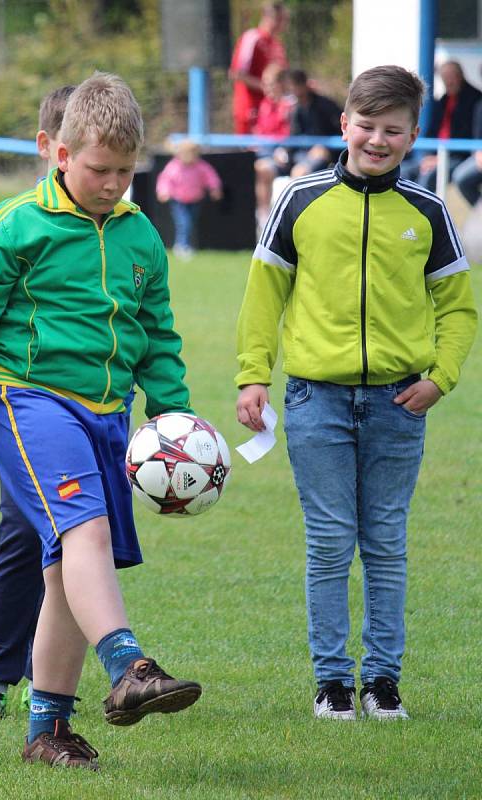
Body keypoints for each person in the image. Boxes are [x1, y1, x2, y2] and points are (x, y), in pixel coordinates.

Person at [0, 72, 202, 770]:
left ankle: (47, 730)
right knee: (86, 531)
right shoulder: (16, 223)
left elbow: (158, 334)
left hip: (107, 414)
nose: (112, 184)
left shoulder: (142, 235)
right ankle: (130, 666)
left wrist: (173, 426)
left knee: (65, 570)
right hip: (25, 398)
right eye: (97, 169)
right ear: (59, 154)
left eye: (126, 171)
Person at [235, 65, 477, 722]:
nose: (376, 139)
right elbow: (265, 293)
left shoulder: (427, 213)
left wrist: (440, 377)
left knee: (387, 541)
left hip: (402, 403)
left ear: (413, 136)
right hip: (316, 401)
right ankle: (333, 683)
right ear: (343, 124)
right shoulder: (299, 200)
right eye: (365, 126)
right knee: (329, 541)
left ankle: (384, 681)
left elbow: (458, 310)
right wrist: (253, 373)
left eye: (391, 130)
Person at [0, 86, 76, 724]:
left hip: (92, 415)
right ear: (49, 146)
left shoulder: (124, 230)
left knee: (74, 548)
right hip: (23, 411)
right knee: (23, 539)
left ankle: (47, 677)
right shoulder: (13, 223)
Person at [402, 61, 482, 191]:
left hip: (458, 156)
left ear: (460, 76)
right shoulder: (442, 101)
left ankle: (426, 211)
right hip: (436, 155)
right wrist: (427, 156)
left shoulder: (475, 100)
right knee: (404, 172)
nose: (448, 81)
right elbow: (431, 131)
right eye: (445, 77)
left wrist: (440, 158)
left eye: (452, 76)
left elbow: (470, 136)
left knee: (428, 177)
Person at [155, 139, 222, 259]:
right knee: (183, 223)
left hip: (195, 200)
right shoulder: (174, 166)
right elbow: (165, 180)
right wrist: (163, 191)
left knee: (190, 223)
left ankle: (188, 244)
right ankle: (181, 246)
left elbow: (211, 177)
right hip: (179, 201)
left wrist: (214, 188)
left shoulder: (201, 166)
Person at [229, 2, 289, 135]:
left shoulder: (278, 44)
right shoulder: (252, 38)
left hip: (272, 113)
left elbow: (283, 76)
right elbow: (237, 73)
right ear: (270, 18)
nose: (285, 25)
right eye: (282, 20)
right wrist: (267, 87)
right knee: (249, 153)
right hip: (250, 108)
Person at [252, 64, 293, 226]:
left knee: (262, 168)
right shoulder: (265, 105)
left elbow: (290, 134)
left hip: (284, 154)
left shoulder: (290, 106)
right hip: (264, 151)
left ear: (281, 84)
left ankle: (265, 215)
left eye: (270, 84)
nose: (267, 88)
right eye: (265, 84)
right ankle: (260, 215)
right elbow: (261, 132)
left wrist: (282, 150)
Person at [286, 68, 343, 177]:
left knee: (299, 173)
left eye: (296, 85)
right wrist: (284, 152)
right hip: (300, 153)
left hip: (326, 153)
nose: (294, 90)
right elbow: (294, 136)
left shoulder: (326, 105)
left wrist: (325, 148)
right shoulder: (295, 110)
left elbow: (341, 130)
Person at [452, 97, 482, 206]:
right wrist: (478, 153)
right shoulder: (480, 104)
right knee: (461, 177)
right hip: (479, 158)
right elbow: (477, 137)